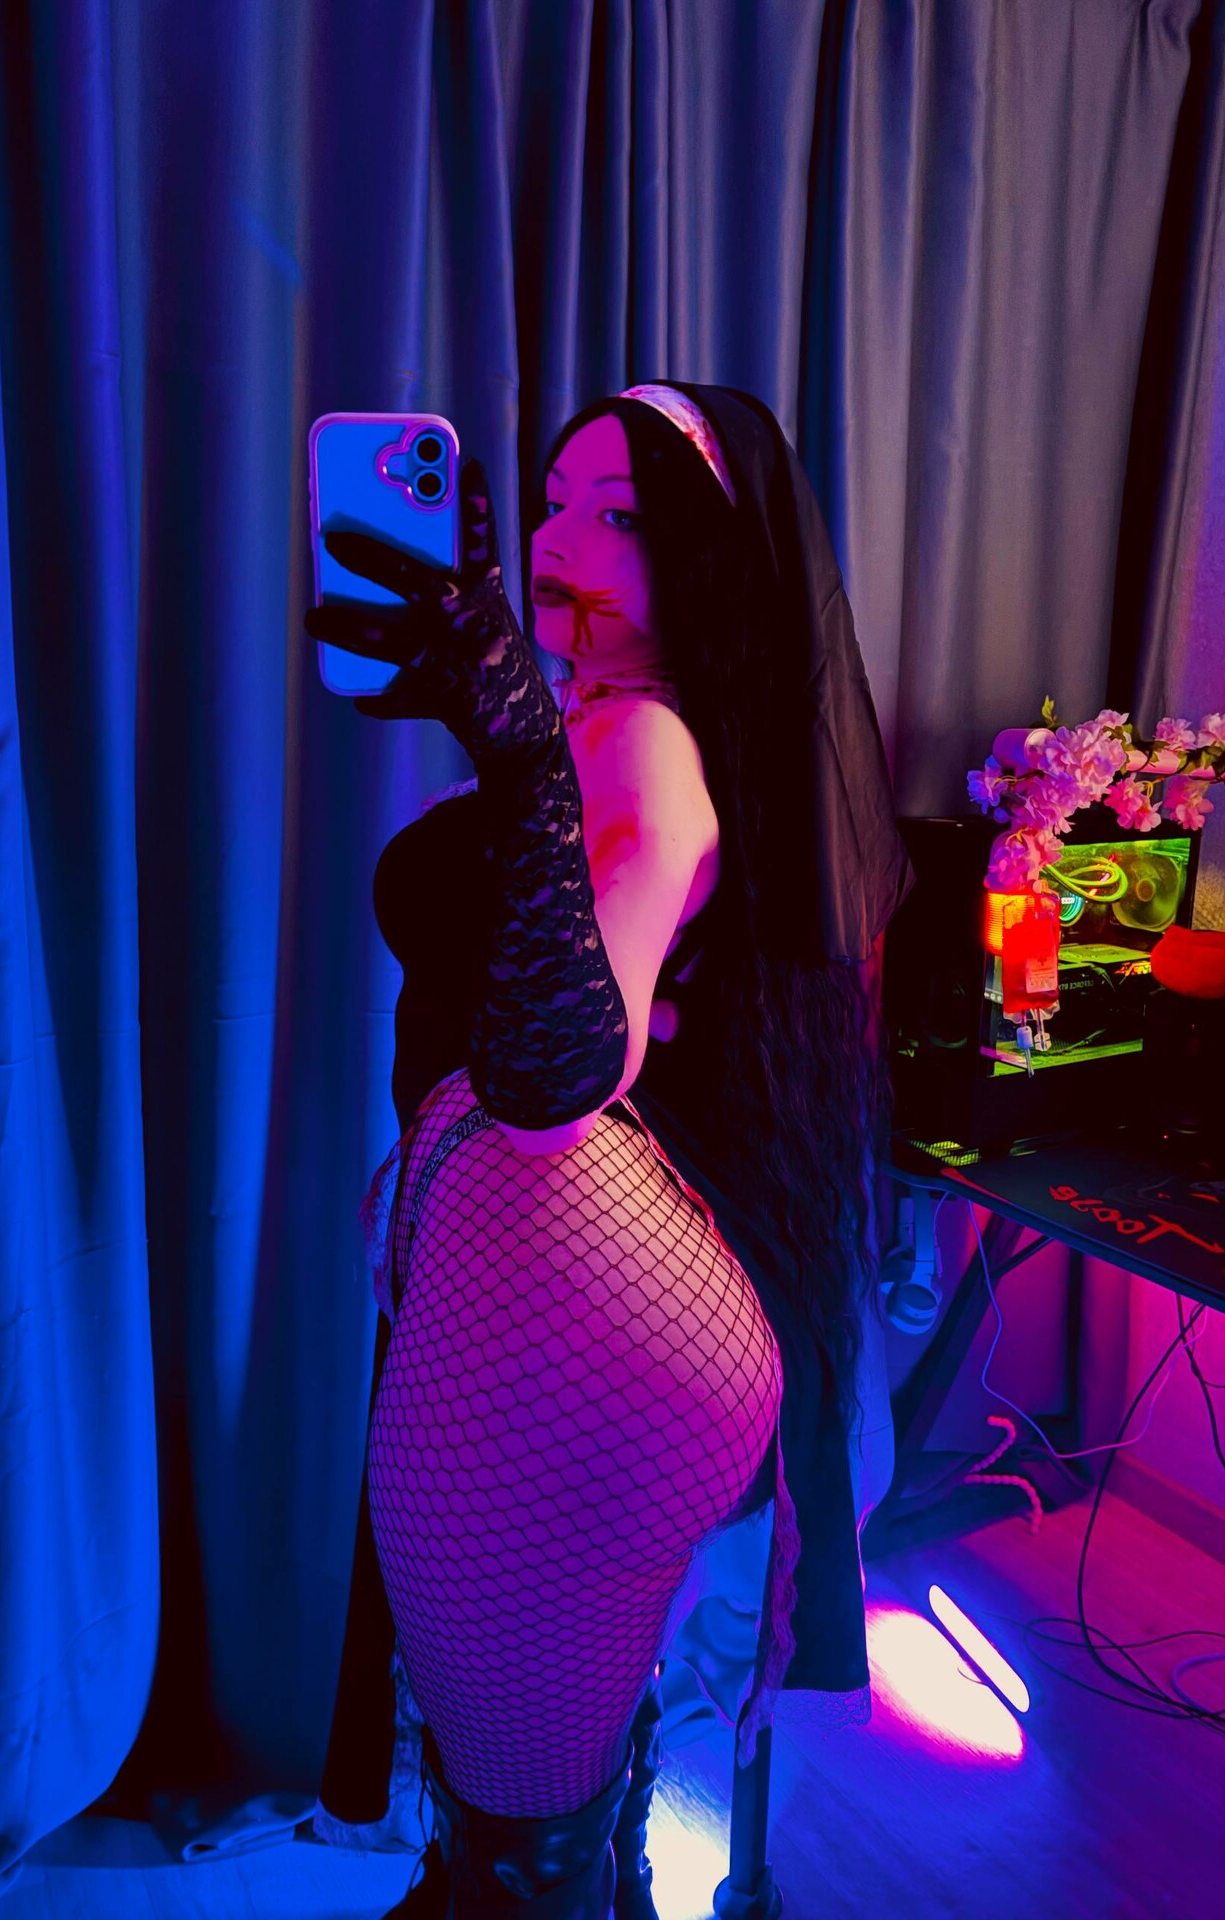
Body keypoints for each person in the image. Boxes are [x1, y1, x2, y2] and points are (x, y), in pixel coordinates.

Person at [305, 384, 912, 1918]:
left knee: (515, 1840)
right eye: (555, 502)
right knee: (549, 1786)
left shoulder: (641, 743)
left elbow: (557, 1077)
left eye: (623, 514)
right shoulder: (612, 725)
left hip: (586, 1333)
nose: (566, 538)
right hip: (584, 1331)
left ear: (706, 556)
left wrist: (520, 750)